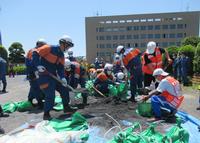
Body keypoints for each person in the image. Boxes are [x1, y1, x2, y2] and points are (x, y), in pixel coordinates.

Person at [32, 35, 76, 120]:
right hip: (44, 75)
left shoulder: (61, 55)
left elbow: (60, 68)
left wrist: (63, 78)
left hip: (53, 75)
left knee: (64, 89)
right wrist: (38, 66)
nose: (68, 48)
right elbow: (35, 53)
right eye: (68, 45)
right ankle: (46, 113)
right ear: (62, 43)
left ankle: (66, 107)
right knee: (50, 95)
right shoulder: (49, 47)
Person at [25, 39, 47, 108]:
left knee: (33, 87)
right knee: (36, 88)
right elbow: (33, 63)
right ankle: (40, 103)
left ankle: (30, 100)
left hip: (32, 72)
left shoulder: (31, 50)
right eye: (43, 45)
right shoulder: (35, 51)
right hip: (33, 72)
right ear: (39, 44)